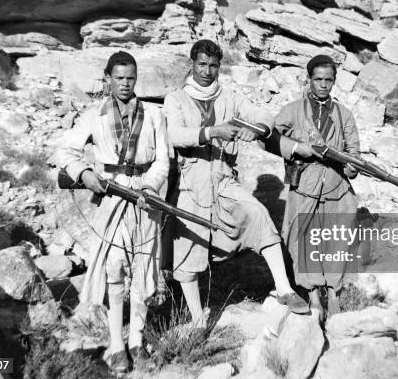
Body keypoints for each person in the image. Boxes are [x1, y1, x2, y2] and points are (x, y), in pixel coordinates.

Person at [163, 39, 309, 328]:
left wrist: (255, 130)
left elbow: (263, 116)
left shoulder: (228, 97)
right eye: (202, 64)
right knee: (187, 250)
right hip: (190, 183)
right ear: (192, 64)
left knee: (258, 215)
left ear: (220, 67)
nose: (207, 71)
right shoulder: (176, 98)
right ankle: (196, 317)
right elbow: (175, 134)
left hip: (223, 179)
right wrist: (212, 131)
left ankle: (284, 289)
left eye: (213, 65)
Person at [54, 51, 169, 373]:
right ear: (107, 78)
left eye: (130, 77)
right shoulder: (94, 114)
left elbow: (163, 160)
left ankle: (137, 339)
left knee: (144, 267)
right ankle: (117, 345)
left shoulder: (154, 114)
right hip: (111, 194)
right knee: (115, 267)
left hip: (146, 195)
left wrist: (150, 187)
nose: (125, 83)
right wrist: (83, 174)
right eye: (118, 77)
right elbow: (65, 150)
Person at [274, 54, 361, 319]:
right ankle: (312, 294)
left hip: (336, 188)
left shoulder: (344, 114)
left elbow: (354, 153)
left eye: (329, 80)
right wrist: (298, 148)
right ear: (309, 79)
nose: (323, 85)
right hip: (305, 186)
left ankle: (333, 293)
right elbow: (269, 138)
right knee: (303, 239)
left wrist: (351, 167)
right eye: (318, 79)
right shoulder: (293, 110)